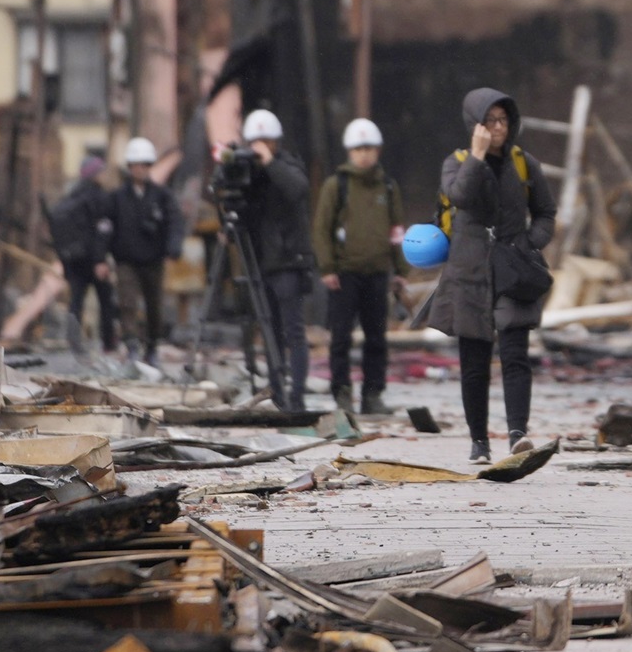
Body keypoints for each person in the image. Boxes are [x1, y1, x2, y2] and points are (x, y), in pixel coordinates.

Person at [428, 87, 556, 464]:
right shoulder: (456, 162)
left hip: (513, 269)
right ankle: (479, 441)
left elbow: (546, 212)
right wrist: (478, 156)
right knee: (474, 362)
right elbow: (461, 196)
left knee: (515, 354)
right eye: (490, 120)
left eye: (503, 120)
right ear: (475, 125)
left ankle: (518, 433)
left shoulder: (524, 163)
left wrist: (529, 243)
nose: (499, 127)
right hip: (469, 271)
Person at [313, 118, 410, 416]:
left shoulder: (388, 187)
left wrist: (401, 270)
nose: (364, 154)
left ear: (377, 151)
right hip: (344, 274)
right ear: (349, 152)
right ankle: (342, 394)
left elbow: (396, 230)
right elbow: (322, 229)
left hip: (378, 274)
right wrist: (327, 267)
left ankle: (373, 394)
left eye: (368, 148)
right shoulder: (337, 185)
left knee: (377, 338)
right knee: (341, 337)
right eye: (358, 149)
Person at [238, 109, 316, 412]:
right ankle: (277, 393)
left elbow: (298, 190)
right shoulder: (249, 174)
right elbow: (239, 210)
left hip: (287, 261)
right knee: (269, 331)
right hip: (261, 262)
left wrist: (270, 163)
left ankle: (297, 396)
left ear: (276, 142)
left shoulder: (287, 166)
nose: (259, 147)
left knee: (293, 331)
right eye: (254, 143)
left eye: (266, 141)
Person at [111, 137, 185, 364]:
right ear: (130, 167)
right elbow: (106, 226)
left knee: (154, 305)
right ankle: (131, 344)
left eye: (145, 165)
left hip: (153, 259)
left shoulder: (162, 196)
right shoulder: (117, 197)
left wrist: (173, 247)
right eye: (136, 165)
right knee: (127, 303)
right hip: (126, 259)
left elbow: (175, 221)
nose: (140, 169)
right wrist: (100, 257)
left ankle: (152, 345)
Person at [48, 154, 118, 353]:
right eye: (102, 171)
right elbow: (102, 230)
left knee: (76, 300)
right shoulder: (99, 197)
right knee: (106, 300)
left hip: (74, 259)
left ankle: (73, 341)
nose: (104, 175)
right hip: (94, 259)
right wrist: (100, 260)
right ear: (95, 174)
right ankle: (109, 343)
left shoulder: (71, 196)